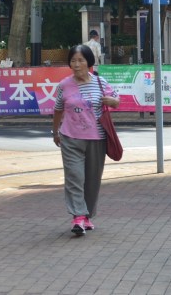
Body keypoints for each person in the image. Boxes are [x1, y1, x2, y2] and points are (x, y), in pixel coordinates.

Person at [51, 44, 119, 236]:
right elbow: (58, 109)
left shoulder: (100, 83)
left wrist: (113, 102)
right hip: (70, 137)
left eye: (81, 60)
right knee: (75, 177)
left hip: (97, 138)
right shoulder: (64, 85)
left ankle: (87, 216)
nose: (77, 64)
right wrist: (55, 132)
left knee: (92, 180)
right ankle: (78, 217)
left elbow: (116, 100)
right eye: (73, 60)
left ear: (89, 62)